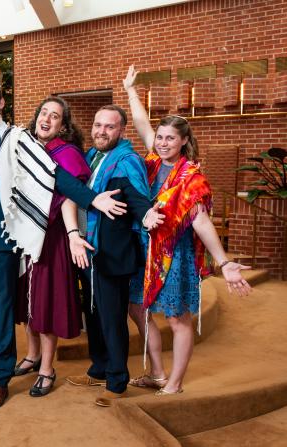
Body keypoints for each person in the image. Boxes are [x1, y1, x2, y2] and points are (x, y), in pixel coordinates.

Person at [0, 78, 151, 412]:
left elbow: (57, 176)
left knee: (4, 309)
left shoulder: (18, 139)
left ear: (0, 103)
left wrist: (93, 200)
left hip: (4, 241)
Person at [123, 65, 252, 395]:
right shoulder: (151, 163)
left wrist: (224, 262)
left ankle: (174, 384)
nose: (163, 142)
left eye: (171, 139)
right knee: (140, 309)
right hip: (143, 250)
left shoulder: (191, 178)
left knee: (178, 319)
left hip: (174, 256)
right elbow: (141, 125)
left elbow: (201, 222)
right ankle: (157, 372)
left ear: (183, 142)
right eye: (161, 137)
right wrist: (131, 91)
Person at [64, 104, 164, 407]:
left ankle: (117, 380)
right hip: (88, 249)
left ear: (121, 130)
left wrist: (147, 215)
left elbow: (136, 198)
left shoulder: (126, 160)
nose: (101, 131)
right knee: (92, 314)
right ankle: (99, 367)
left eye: (109, 126)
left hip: (113, 253)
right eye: (97, 125)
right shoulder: (91, 157)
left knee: (111, 318)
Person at [14, 97, 92, 397]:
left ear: (63, 125)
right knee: (26, 299)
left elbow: (72, 195)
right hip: (24, 234)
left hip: (52, 236)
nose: (47, 119)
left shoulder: (67, 153)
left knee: (46, 302)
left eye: (55, 116)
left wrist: (72, 233)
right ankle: (32, 355)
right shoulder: (27, 147)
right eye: (43, 113)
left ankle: (47, 367)